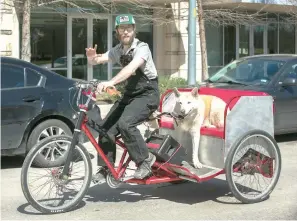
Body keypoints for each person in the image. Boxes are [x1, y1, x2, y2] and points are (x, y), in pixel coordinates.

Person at [85, 14, 160, 183]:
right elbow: (97, 60)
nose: (125, 31)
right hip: (130, 94)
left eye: (129, 28)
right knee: (105, 128)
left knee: (126, 123)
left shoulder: (142, 48)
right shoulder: (117, 50)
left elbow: (131, 68)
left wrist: (111, 82)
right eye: (122, 28)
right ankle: (106, 168)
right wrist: (91, 57)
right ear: (117, 31)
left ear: (134, 30)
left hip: (147, 94)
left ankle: (145, 161)